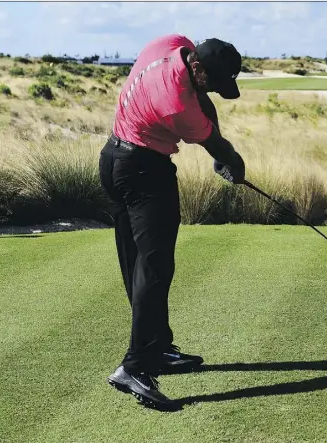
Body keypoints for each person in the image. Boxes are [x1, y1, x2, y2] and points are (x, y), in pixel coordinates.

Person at [99, 34, 246, 411]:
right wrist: (231, 161)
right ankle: (135, 366)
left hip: (113, 159)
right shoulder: (176, 103)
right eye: (213, 82)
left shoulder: (171, 43)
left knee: (138, 262)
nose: (214, 90)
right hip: (144, 172)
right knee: (155, 266)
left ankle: (159, 347)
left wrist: (217, 138)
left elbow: (206, 106)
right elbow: (215, 143)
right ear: (198, 68)